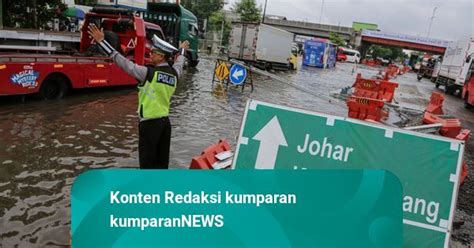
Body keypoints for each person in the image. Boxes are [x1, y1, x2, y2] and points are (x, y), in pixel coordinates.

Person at [87, 24, 189, 169]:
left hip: (149, 125)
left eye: (153, 52)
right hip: (165, 125)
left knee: (147, 165)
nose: (150, 54)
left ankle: (146, 190)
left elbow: (123, 63)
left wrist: (102, 42)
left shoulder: (147, 73)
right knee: (161, 164)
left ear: (161, 56)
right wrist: (183, 49)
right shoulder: (175, 74)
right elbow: (180, 61)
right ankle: (160, 190)